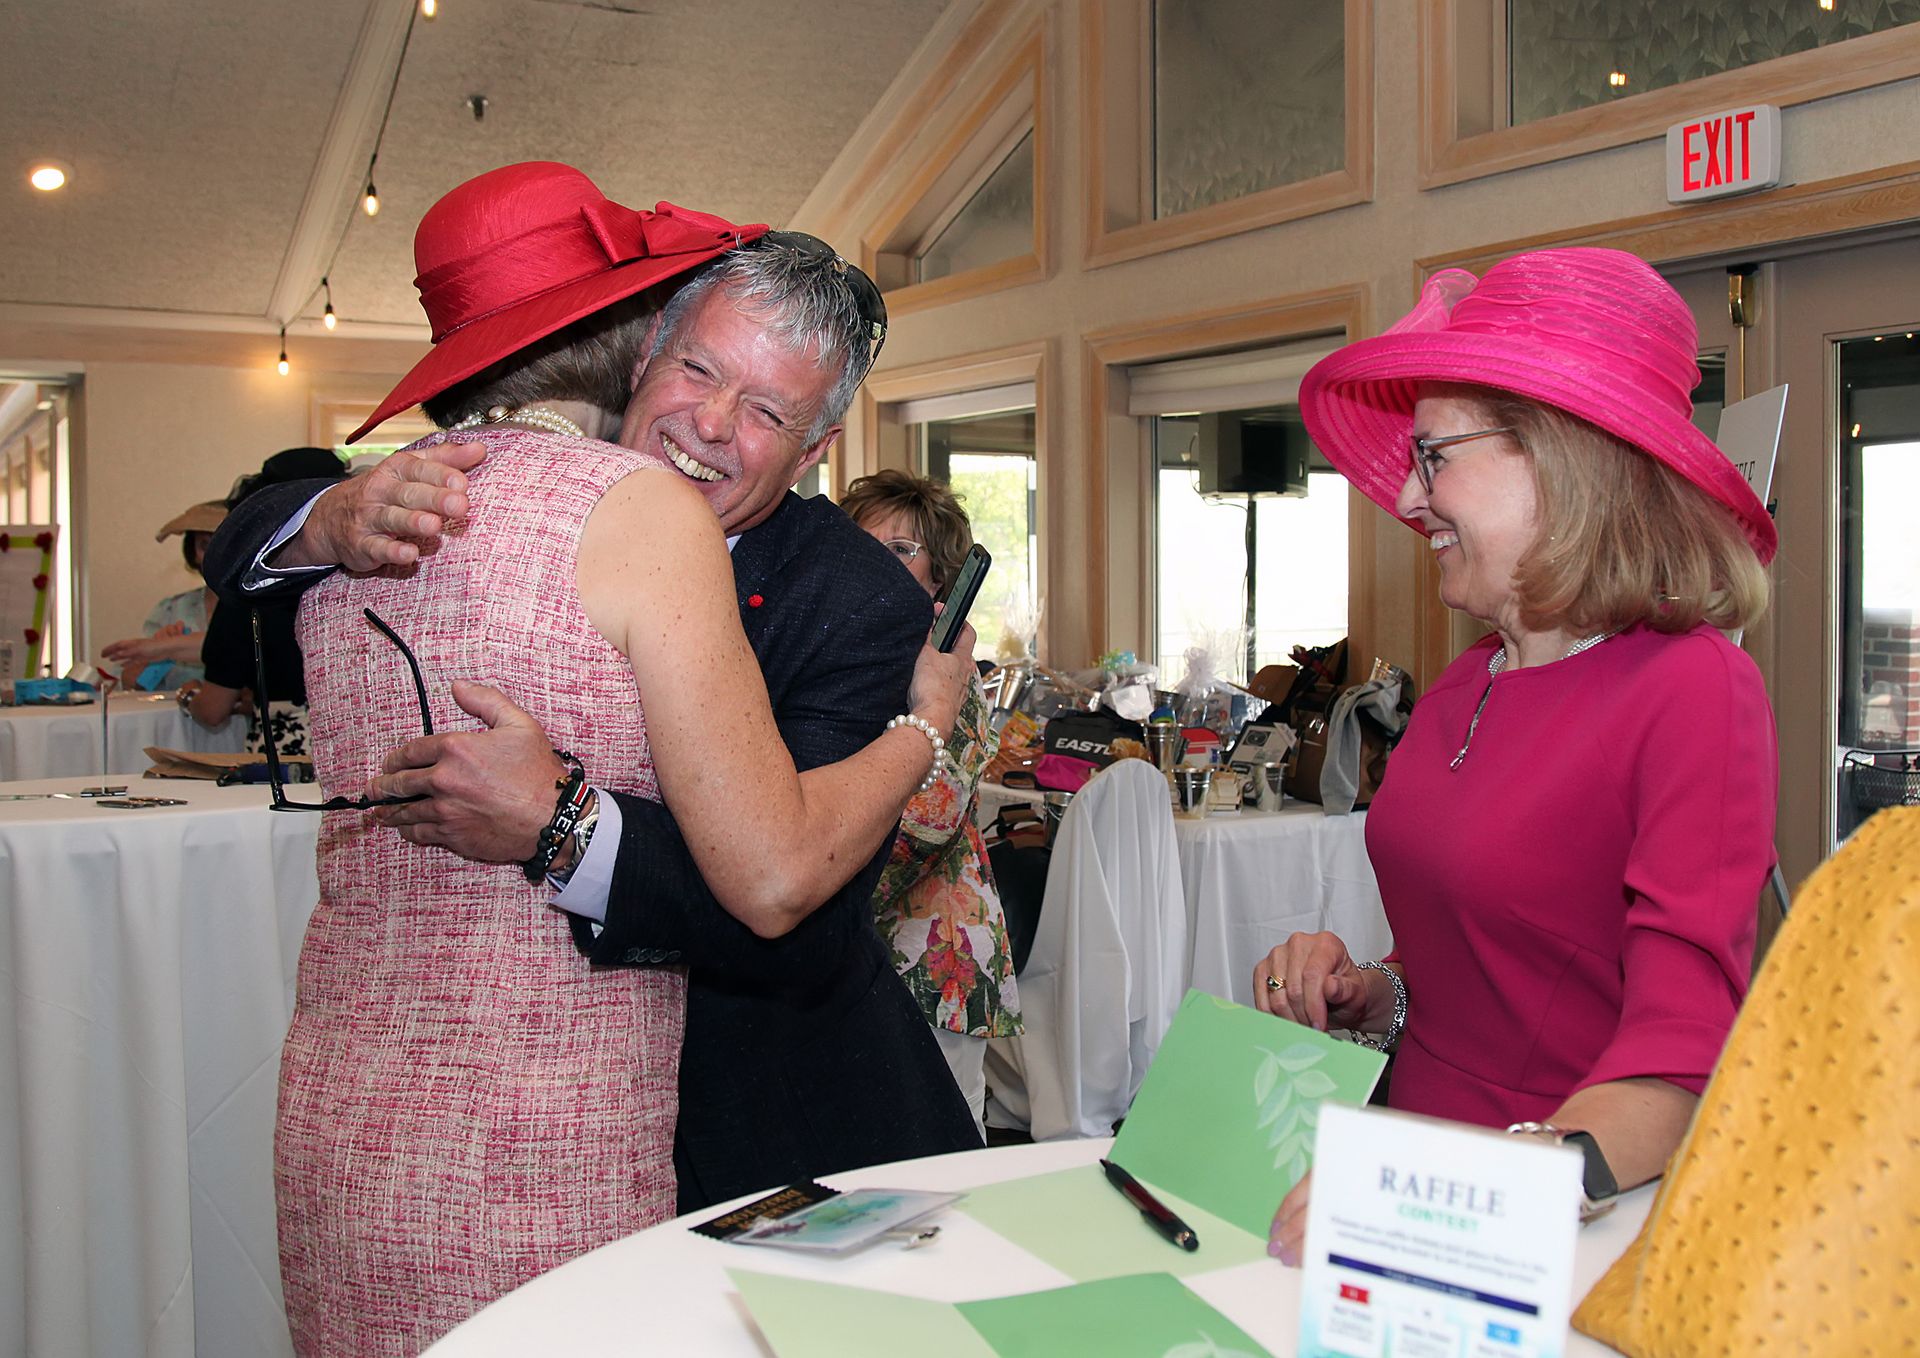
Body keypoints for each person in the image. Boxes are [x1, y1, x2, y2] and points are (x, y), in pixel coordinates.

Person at [204, 164, 981, 1349]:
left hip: (756, 1126)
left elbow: (800, 920)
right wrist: (324, 517)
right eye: (699, 371)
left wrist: (570, 828)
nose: (711, 425)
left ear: (818, 448)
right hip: (488, 1127)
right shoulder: (474, 490)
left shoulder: (858, 600)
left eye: (766, 412)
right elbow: (247, 571)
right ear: (643, 350)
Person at [1254, 247, 1779, 1263]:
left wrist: (1471, 1196)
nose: (1410, 499)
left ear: (1561, 457)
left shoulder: (1693, 688)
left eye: (1434, 457)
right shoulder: (1468, 682)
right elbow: (1496, 966)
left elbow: (1681, 1056)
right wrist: (1373, 990)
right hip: (1403, 1180)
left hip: (1557, 1222)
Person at [839, 469, 1023, 1133]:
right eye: (862, 545)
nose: (875, 562)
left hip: (934, 958)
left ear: (941, 577)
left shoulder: (949, 672)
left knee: (943, 1152)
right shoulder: (850, 652)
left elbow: (929, 818)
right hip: (852, 960)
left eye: (900, 549)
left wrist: (805, 882)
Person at [179, 448, 345, 750]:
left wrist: (188, 695)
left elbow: (213, 709)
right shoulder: (366, 577)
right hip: (362, 747)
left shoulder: (250, 587)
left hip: (287, 750)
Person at [100, 499, 224, 690]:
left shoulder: (260, 608)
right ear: (193, 553)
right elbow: (130, 683)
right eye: (205, 546)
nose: (215, 556)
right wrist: (160, 653)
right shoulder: (172, 609)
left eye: (224, 545)